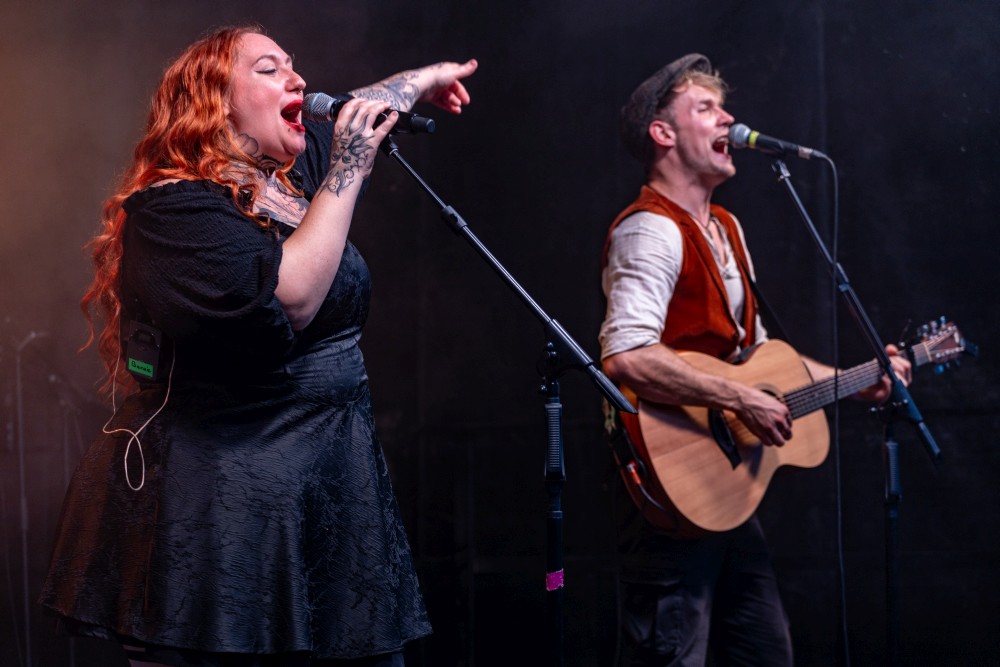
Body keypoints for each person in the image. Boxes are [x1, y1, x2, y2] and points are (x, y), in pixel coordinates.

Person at [39, 24, 477, 667]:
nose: (299, 79)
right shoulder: (174, 209)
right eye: (270, 69)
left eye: (295, 67)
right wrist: (353, 160)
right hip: (224, 514)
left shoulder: (293, 187)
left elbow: (365, 101)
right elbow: (291, 295)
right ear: (213, 102)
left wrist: (425, 78)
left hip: (320, 495)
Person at [598, 54, 912, 666]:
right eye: (706, 108)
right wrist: (739, 399)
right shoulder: (650, 231)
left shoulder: (727, 229)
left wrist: (860, 381)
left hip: (724, 496)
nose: (729, 117)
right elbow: (626, 356)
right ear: (663, 134)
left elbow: (762, 363)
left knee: (766, 655)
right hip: (672, 489)